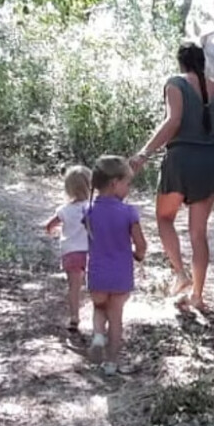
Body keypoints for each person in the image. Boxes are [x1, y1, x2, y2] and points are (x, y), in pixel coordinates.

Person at [129, 42, 214, 313]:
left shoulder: (175, 83)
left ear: (181, 63)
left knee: (165, 218)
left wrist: (143, 153)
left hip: (181, 159)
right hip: (211, 161)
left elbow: (173, 120)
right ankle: (198, 296)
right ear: (203, 63)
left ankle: (180, 274)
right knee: (199, 233)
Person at [85, 155, 146, 375]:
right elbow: (141, 246)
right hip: (120, 276)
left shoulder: (89, 212)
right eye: (127, 183)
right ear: (114, 184)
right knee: (116, 318)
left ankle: (98, 335)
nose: (129, 188)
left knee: (99, 307)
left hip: (97, 275)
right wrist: (138, 255)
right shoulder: (128, 213)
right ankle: (111, 363)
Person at [43, 165, 93, 334]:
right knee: (94, 285)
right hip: (91, 253)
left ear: (67, 188)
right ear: (91, 185)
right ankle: (99, 315)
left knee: (74, 286)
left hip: (71, 252)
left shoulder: (64, 210)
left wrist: (53, 230)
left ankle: (74, 317)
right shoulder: (93, 208)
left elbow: (48, 225)